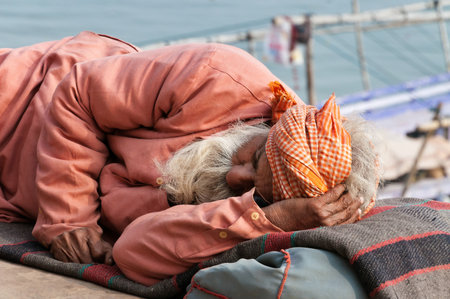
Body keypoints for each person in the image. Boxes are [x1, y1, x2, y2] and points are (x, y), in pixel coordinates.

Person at [0, 32, 379, 285]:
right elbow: (78, 92)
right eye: (254, 161)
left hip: (14, 197)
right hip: (22, 102)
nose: (235, 178)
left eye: (253, 190)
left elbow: (132, 254)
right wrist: (68, 217)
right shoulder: (217, 73)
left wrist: (268, 217)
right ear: (271, 131)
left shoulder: (262, 209)